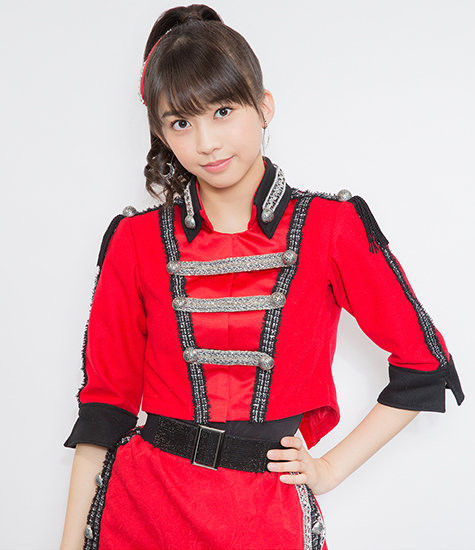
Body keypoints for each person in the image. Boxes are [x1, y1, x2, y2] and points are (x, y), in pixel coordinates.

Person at [60, 4, 465, 550]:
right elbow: (104, 410)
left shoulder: (331, 227)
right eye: (181, 122)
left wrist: (329, 469)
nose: (206, 142)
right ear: (160, 132)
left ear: (265, 105)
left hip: (265, 516)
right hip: (141, 509)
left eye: (223, 111)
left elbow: (424, 366)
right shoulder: (134, 241)